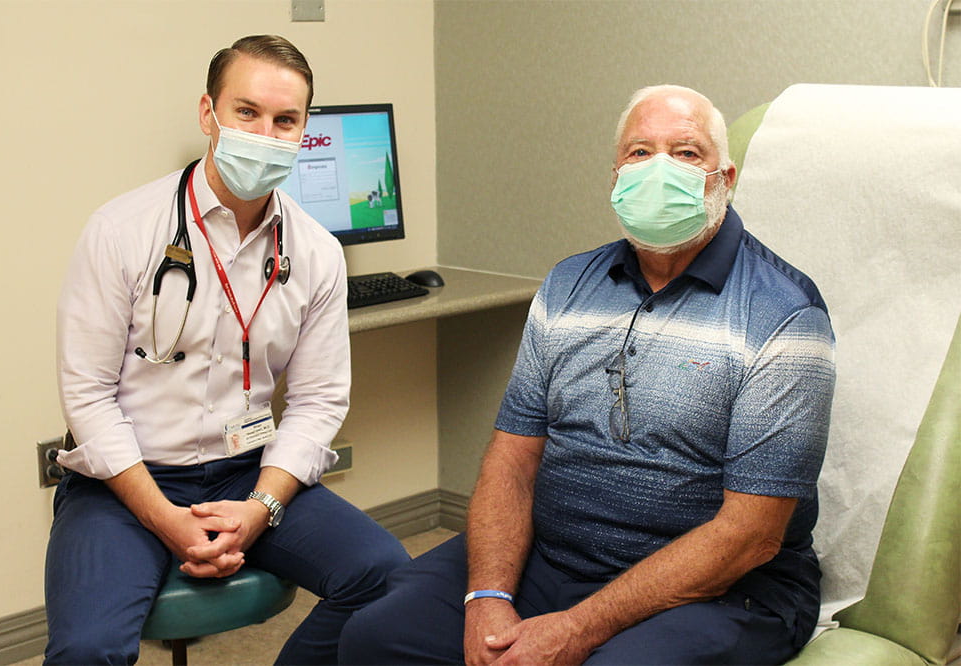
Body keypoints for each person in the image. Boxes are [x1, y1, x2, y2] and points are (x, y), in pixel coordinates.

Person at [338, 85, 837, 665]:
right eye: (639, 153)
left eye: (686, 154)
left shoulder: (783, 316)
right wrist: (490, 595)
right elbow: (513, 458)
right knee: (375, 636)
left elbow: (749, 535)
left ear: (724, 178)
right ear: (615, 178)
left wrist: (576, 629)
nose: (659, 171)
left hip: (723, 593)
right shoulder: (569, 287)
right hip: (554, 556)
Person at [45, 35, 409, 665]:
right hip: (127, 477)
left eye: (285, 120)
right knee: (87, 650)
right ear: (208, 114)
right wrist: (165, 517)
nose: (267, 134)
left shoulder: (317, 251)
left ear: (304, 132)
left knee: (389, 580)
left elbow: (320, 400)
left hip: (248, 470)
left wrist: (261, 506)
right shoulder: (122, 230)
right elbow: (87, 395)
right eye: (247, 112)